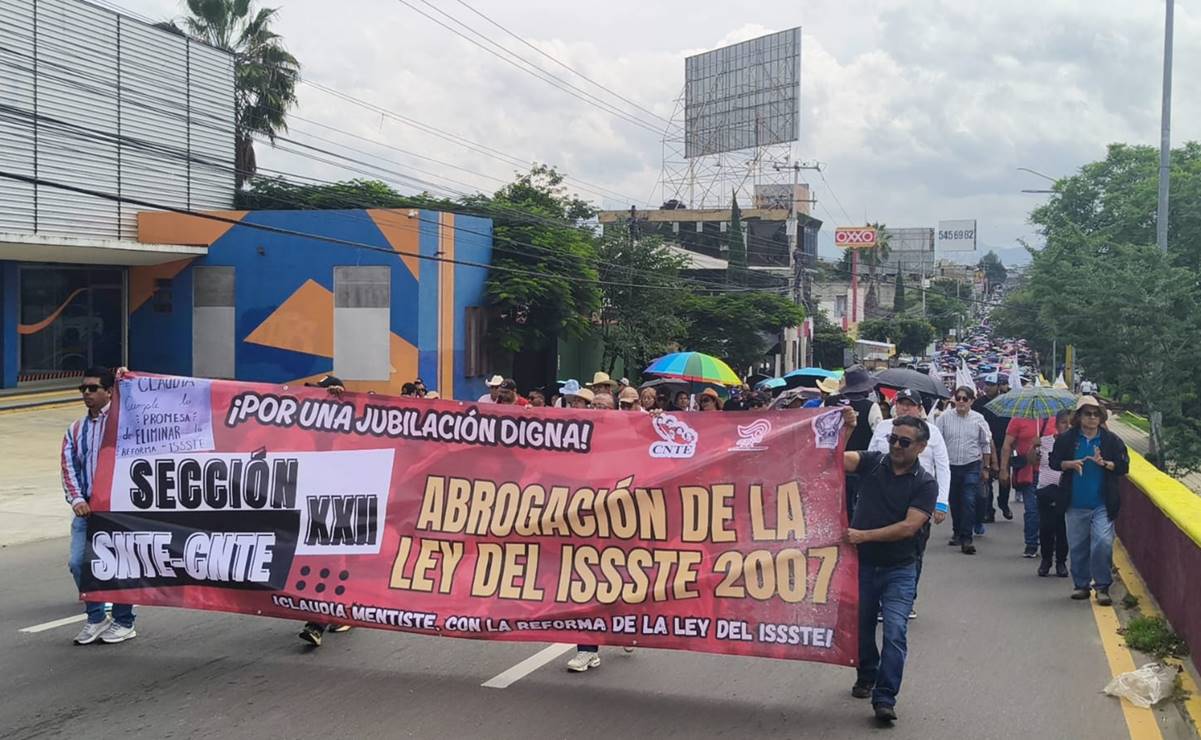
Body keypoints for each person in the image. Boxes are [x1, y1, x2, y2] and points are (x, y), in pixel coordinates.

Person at [843, 410, 937, 724]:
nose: (896, 445)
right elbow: (833, 459)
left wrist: (863, 536)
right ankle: (867, 673)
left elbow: (909, 526)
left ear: (921, 447)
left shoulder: (925, 484)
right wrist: (848, 428)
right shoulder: (872, 463)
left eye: (904, 441)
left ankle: (885, 697)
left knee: (895, 632)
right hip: (864, 565)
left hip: (900, 568)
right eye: (892, 439)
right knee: (862, 628)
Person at [63, 366, 137, 645]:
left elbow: (145, 412)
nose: (87, 393)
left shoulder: (123, 423)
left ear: (109, 392)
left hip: (120, 510)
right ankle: (96, 617)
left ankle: (124, 620)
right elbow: (68, 467)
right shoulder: (75, 430)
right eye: (83, 388)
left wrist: (126, 382)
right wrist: (77, 499)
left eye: (93, 388)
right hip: (88, 511)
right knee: (78, 563)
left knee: (120, 566)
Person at [867, 389, 949, 618]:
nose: (904, 408)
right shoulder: (884, 428)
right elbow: (870, 458)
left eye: (910, 405)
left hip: (919, 500)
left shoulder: (931, 433)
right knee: (882, 547)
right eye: (901, 404)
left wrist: (941, 503)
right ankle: (883, 600)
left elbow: (943, 467)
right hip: (884, 500)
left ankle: (905, 598)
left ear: (919, 408)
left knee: (913, 552)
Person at [1050, 396, 1129, 605]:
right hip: (1075, 503)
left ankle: (1102, 586)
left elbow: (1123, 467)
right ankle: (1081, 585)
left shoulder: (1111, 441)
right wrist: (1070, 464)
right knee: (1078, 547)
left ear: (1101, 417)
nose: (1092, 418)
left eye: (1095, 414)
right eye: (1087, 414)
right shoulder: (1068, 439)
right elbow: (1054, 462)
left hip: (1103, 503)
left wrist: (1106, 463)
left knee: (1102, 543)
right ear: (1079, 417)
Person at [298, 375, 355, 646]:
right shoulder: (314, 425)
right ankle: (338, 610)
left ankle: (319, 620)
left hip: (343, 500)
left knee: (330, 560)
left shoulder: (344, 426)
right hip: (315, 498)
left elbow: (360, 423)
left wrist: (341, 400)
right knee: (318, 559)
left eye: (323, 393)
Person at [936, 386, 993, 555]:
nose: (961, 401)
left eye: (965, 399)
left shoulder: (979, 419)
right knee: (954, 500)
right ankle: (957, 532)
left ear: (971, 401)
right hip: (950, 466)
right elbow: (937, 442)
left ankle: (967, 538)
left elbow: (986, 443)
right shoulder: (944, 418)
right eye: (958, 398)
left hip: (971, 465)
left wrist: (986, 467)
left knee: (968, 500)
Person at [999, 412, 1044, 558]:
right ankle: (1031, 543)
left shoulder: (1054, 419)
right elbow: (1007, 445)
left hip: (1050, 472)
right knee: (1032, 509)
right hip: (1028, 471)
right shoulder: (1018, 419)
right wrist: (1003, 469)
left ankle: (1050, 542)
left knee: (1049, 511)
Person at [1034, 410, 1073, 577]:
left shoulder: (1075, 444)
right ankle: (1046, 560)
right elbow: (1032, 461)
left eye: (1071, 423)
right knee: (1046, 526)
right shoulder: (1044, 441)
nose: (1067, 426)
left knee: (1062, 527)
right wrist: (1033, 447)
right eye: (1064, 422)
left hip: (1064, 489)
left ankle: (1061, 562)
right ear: (1056, 425)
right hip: (1045, 488)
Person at [973, 376, 1010, 525]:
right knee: (986, 479)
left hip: (1003, 445)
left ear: (999, 386)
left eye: (991, 384)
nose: (988, 387)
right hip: (985, 445)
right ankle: (988, 511)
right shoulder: (979, 404)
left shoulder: (1005, 403)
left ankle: (1003, 503)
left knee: (1004, 478)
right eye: (986, 384)